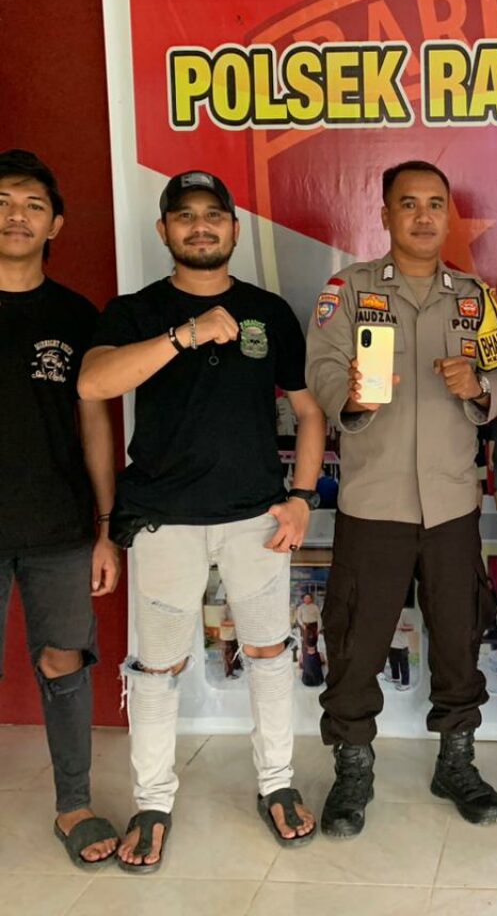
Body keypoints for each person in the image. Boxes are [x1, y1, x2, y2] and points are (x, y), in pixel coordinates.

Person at [78, 170, 326, 870]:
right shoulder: (135, 311)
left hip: (256, 519)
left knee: (270, 654)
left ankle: (276, 785)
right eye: (184, 216)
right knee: (157, 669)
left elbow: (308, 411)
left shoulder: (267, 312)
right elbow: (94, 383)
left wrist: (303, 496)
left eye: (213, 215)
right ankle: (152, 801)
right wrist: (184, 335)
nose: (200, 226)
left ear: (234, 230)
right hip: (164, 520)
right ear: (164, 230)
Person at [305, 160, 497, 838]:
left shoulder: (476, 298)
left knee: (459, 635)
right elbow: (322, 367)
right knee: (356, 641)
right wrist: (349, 398)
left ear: (449, 215)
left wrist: (480, 388)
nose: (423, 216)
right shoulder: (350, 289)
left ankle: (456, 762)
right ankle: (353, 769)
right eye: (408, 204)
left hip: (451, 503)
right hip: (375, 503)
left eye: (434, 204)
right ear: (386, 215)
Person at [0, 149, 121, 869]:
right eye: (2, 203)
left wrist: (106, 529)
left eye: (32, 205)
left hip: (58, 526)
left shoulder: (76, 317)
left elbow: (96, 427)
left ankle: (73, 802)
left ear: (55, 225)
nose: (15, 216)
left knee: (63, 659)